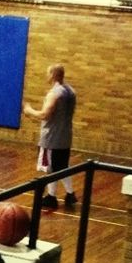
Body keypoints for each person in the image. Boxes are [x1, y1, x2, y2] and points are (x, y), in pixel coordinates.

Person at [24, 62, 77, 210]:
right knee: (62, 166)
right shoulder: (71, 91)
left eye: (48, 73)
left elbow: (45, 114)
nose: (46, 76)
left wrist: (29, 111)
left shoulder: (55, 93)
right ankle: (68, 194)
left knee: (51, 168)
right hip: (65, 135)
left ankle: (52, 197)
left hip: (52, 137)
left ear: (53, 75)